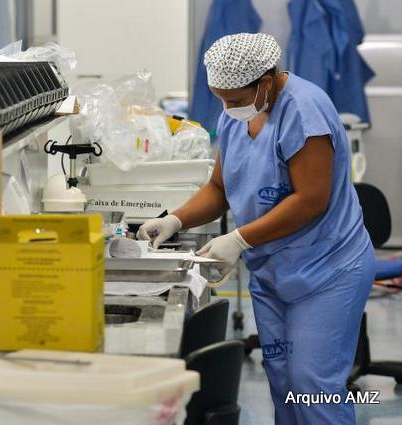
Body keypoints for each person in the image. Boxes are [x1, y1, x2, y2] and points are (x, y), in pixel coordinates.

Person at [138, 33, 375, 425]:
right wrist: (174, 220)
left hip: (328, 269)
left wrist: (239, 238)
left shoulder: (304, 111)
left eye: (234, 100)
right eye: (220, 99)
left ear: (265, 82)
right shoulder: (236, 117)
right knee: (282, 384)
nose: (227, 108)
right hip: (274, 272)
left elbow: (311, 200)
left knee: (313, 387)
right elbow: (220, 188)